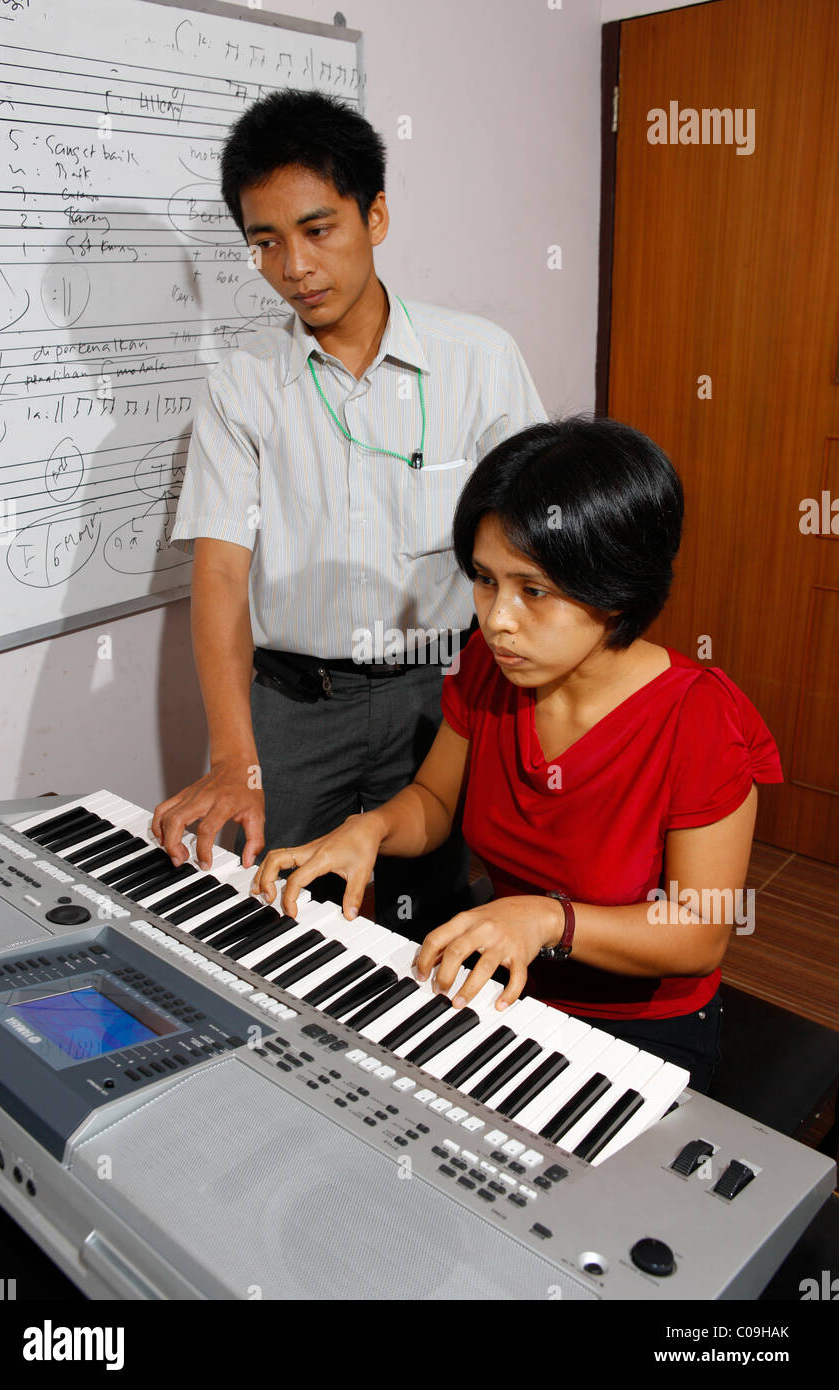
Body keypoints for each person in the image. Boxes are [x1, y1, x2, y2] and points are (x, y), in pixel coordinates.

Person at [253, 416, 783, 1093]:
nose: (497, 618)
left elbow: (700, 932)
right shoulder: (489, 667)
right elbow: (436, 802)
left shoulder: (701, 717)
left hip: (636, 1028)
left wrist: (545, 918)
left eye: (533, 590)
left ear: (616, 587)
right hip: (501, 984)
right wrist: (372, 828)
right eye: (485, 581)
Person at [152, 89, 547, 937]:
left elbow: (535, 541)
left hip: (438, 701)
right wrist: (234, 756)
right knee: (268, 920)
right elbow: (222, 571)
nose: (294, 266)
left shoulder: (477, 360)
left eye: (318, 229)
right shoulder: (241, 385)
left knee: (424, 923)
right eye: (265, 241)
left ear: (376, 216)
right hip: (293, 710)